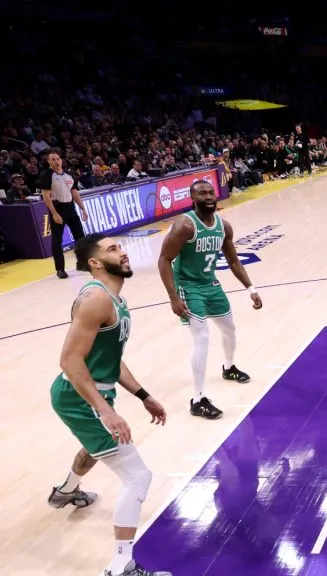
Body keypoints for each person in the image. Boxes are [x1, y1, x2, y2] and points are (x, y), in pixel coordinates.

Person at [48, 233, 171, 576]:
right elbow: (70, 362)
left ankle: (66, 491)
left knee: (96, 448)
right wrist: (106, 410)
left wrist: (143, 395)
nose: (124, 251)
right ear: (95, 263)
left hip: (91, 392)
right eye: (113, 249)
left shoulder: (116, 300)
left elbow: (112, 360)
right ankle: (121, 566)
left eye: (121, 246)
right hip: (79, 396)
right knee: (138, 477)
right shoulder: (95, 300)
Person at [157, 180, 262, 421]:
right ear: (193, 198)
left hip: (211, 284)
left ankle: (229, 367)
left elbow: (234, 261)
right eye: (202, 193)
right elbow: (164, 259)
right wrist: (173, 297)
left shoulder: (223, 226)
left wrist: (251, 288)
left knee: (230, 329)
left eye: (211, 192)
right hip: (188, 286)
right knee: (202, 338)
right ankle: (198, 398)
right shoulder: (185, 225)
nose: (208, 196)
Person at [40, 151, 89, 279]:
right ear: (49, 162)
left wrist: (83, 208)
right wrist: (54, 213)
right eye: (53, 159)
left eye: (58, 159)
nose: (56, 161)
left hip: (70, 208)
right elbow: (45, 195)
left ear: (61, 160)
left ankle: (82, 263)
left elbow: (74, 192)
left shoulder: (68, 174)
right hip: (57, 208)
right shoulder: (47, 175)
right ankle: (60, 269)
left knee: (80, 237)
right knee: (57, 240)